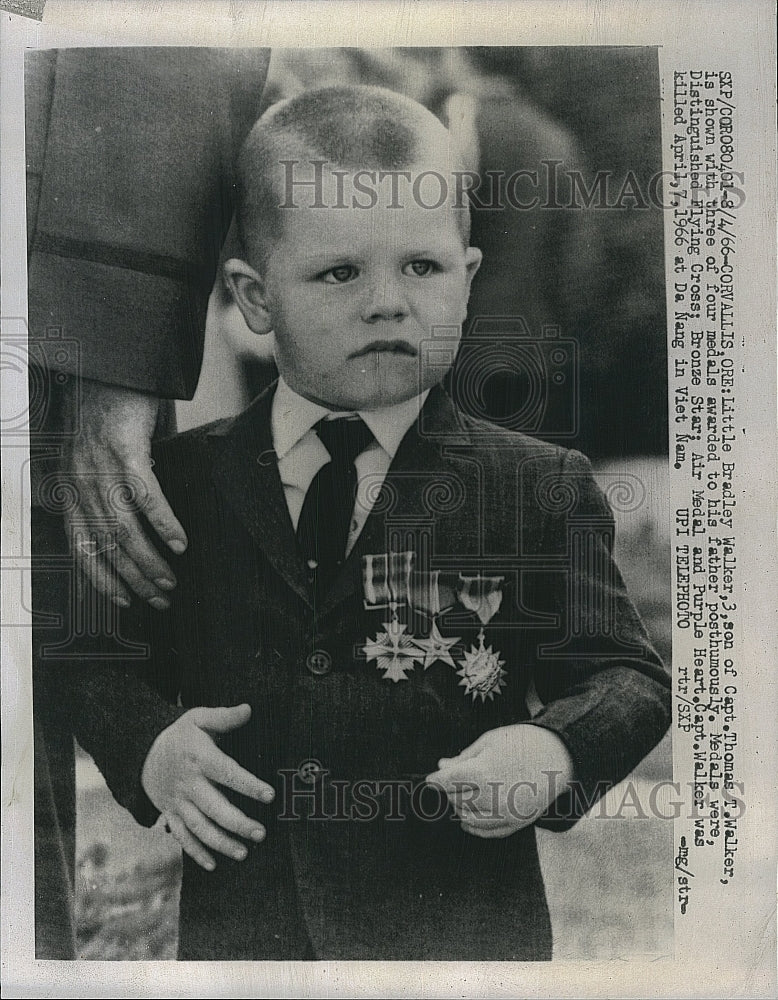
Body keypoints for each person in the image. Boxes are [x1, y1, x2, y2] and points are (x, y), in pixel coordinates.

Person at [38, 85, 671, 961]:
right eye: (340, 273)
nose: (387, 302)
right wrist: (149, 747)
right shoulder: (185, 482)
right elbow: (85, 651)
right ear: (255, 299)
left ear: (469, 275)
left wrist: (551, 750)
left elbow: (627, 676)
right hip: (249, 953)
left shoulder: (534, 487)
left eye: (423, 267)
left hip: (460, 948)